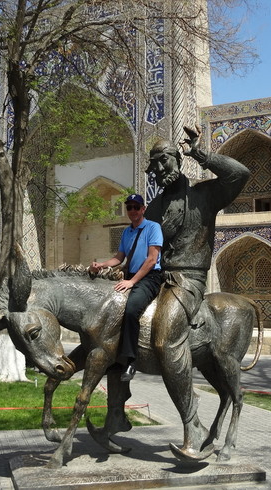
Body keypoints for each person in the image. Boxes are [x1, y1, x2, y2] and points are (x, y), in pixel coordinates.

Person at [144, 125, 249, 461]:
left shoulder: (204, 195)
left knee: (163, 340)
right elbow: (143, 251)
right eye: (155, 166)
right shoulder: (153, 209)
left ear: (177, 158)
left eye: (165, 161)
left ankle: (194, 426)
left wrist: (199, 153)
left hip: (188, 281)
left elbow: (240, 173)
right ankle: (117, 407)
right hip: (159, 278)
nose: (161, 170)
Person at [89, 193, 163, 381]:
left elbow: (152, 259)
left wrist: (132, 282)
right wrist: (101, 265)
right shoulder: (126, 232)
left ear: (143, 209)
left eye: (136, 207)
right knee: (109, 306)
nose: (132, 211)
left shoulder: (153, 228)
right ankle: (111, 354)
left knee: (130, 310)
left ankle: (131, 360)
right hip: (130, 276)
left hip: (150, 277)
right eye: (129, 207)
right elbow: (119, 258)